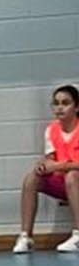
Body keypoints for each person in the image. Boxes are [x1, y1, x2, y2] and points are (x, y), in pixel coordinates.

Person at [13, 85, 79, 254]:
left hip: (74, 179)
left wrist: (59, 166)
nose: (60, 107)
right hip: (65, 181)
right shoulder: (52, 130)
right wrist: (44, 167)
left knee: (72, 176)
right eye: (56, 103)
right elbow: (51, 161)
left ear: (76, 107)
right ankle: (26, 236)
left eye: (65, 103)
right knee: (31, 178)